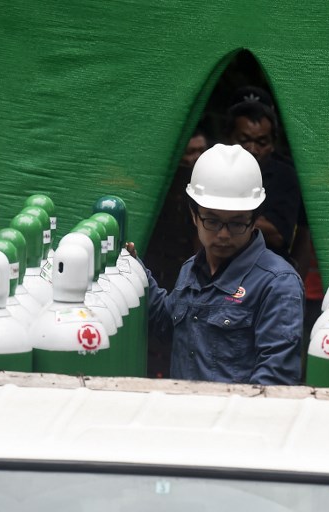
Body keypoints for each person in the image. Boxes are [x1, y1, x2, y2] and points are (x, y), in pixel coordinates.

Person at [129, 143, 304, 385]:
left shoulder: (278, 284)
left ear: (255, 219)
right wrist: (134, 271)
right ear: (194, 215)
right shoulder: (190, 270)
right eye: (212, 221)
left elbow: (275, 380)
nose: (223, 235)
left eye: (236, 223)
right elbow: (167, 325)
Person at [144, 129, 208, 378]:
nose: (195, 158)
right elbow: (168, 320)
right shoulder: (190, 270)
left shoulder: (274, 281)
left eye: (200, 152)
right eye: (189, 152)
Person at [226, 97, 304, 269]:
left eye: (261, 142)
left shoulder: (285, 176)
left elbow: (277, 235)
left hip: (266, 274)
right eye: (244, 140)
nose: (252, 149)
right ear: (229, 138)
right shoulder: (214, 168)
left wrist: (222, 215)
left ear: (272, 145)